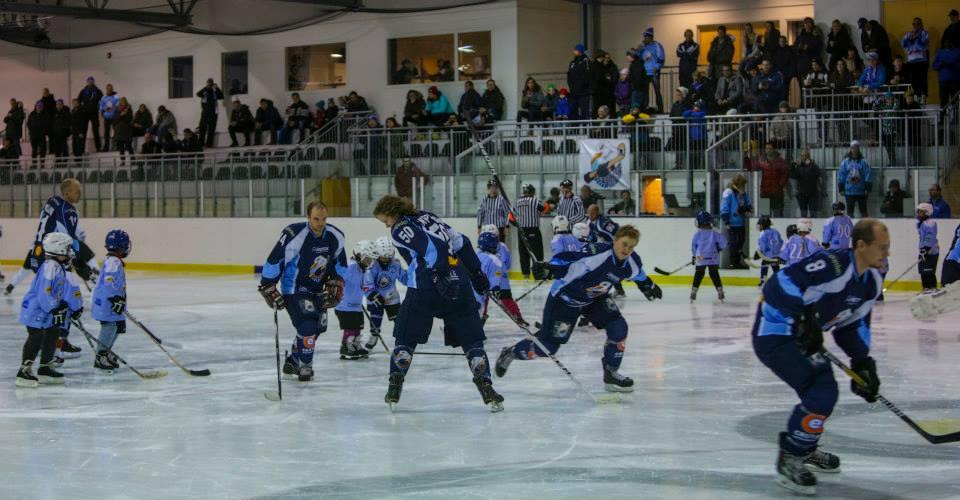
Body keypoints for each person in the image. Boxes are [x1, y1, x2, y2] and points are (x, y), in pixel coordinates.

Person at [754, 218, 888, 495]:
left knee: (822, 390)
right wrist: (804, 318)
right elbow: (779, 283)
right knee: (822, 388)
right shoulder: (835, 264)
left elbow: (852, 326)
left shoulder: (871, 282)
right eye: (882, 247)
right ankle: (792, 455)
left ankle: (805, 445)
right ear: (861, 245)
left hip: (804, 337)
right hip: (776, 332)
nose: (887, 253)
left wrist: (862, 362)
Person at [372, 195, 504, 412]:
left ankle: (395, 384)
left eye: (385, 220)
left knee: (406, 337)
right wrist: (475, 272)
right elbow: (461, 241)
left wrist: (439, 275)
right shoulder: (427, 216)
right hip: (459, 284)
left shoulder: (399, 228)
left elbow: (433, 249)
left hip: (424, 287)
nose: (386, 225)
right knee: (471, 339)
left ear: (392, 214)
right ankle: (486, 386)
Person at [495, 225, 663, 392]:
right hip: (565, 300)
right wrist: (549, 267)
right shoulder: (596, 253)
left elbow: (639, 274)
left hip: (594, 300)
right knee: (548, 346)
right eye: (624, 244)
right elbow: (567, 258)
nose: (627, 250)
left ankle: (611, 372)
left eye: (631, 246)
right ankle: (510, 353)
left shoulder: (631, 263)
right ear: (615, 240)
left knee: (618, 327)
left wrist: (648, 286)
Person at [258, 201, 347, 383]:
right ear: (308, 217)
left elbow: (339, 263)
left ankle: (293, 360)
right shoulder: (295, 234)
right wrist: (268, 283)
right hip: (295, 289)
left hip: (318, 289)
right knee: (307, 325)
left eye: (323, 219)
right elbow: (276, 258)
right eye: (316, 219)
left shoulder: (335, 236)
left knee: (318, 328)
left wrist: (337, 280)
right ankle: (305, 365)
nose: (320, 223)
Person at [15, 233, 84, 387]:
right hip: (35, 310)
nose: (70, 251)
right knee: (36, 337)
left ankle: (45, 368)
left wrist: (69, 306)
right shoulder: (49, 267)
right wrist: (55, 308)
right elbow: (43, 293)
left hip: (46, 310)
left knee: (53, 332)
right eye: (67, 248)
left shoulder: (58, 267)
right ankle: (24, 370)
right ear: (58, 249)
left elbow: (60, 291)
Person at [90, 230, 131, 373]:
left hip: (111, 302)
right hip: (108, 303)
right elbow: (109, 282)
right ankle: (100, 355)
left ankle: (106, 352)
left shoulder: (113, 260)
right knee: (110, 326)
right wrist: (116, 299)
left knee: (118, 326)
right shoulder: (113, 262)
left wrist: (118, 299)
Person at [362, 237, 407, 350]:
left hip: (392, 297)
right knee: (376, 318)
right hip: (375, 297)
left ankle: (401, 338)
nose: (386, 259)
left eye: (388, 257)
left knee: (399, 319)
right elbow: (367, 284)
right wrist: (372, 295)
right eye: (383, 257)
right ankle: (374, 336)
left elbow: (404, 278)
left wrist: (413, 277)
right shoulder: (372, 265)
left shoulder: (395, 264)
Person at [334, 240, 375, 361]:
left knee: (357, 327)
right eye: (367, 259)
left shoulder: (361, 268)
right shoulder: (350, 267)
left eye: (371, 260)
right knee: (350, 327)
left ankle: (355, 345)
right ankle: (347, 347)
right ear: (358, 254)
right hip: (344, 306)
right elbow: (338, 278)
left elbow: (362, 285)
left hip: (356, 306)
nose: (369, 262)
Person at [480, 224, 525, 324]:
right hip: (497, 279)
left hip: (495, 279)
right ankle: (518, 317)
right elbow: (508, 264)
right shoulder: (501, 247)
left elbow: (506, 264)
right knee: (505, 299)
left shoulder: (487, 249)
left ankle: (517, 316)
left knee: (487, 300)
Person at [689, 211, 727, 302]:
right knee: (714, 274)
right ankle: (720, 290)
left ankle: (694, 291)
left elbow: (694, 246)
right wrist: (719, 248)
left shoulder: (698, 234)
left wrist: (695, 256)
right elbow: (724, 243)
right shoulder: (714, 233)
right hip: (713, 258)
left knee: (699, 274)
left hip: (701, 258)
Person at [720, 174, 752, 269]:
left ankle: (737, 262)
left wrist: (746, 209)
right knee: (734, 243)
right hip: (732, 223)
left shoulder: (743, 194)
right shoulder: (728, 192)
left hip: (741, 222)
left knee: (741, 241)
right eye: (742, 185)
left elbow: (749, 204)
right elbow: (724, 208)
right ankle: (733, 262)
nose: (743, 188)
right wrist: (726, 221)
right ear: (737, 184)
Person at [514, 184, 546, 279]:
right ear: (531, 192)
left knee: (523, 253)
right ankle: (538, 274)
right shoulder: (534, 200)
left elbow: (513, 215)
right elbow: (544, 209)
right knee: (537, 252)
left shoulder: (517, 202)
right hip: (533, 229)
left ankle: (526, 275)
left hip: (521, 230)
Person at [751, 141, 789, 217]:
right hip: (764, 192)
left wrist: (779, 186)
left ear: (774, 149)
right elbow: (754, 167)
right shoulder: (761, 160)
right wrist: (754, 158)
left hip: (777, 193)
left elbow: (785, 175)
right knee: (764, 215)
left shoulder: (781, 161)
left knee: (778, 215)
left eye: (770, 148)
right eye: (766, 148)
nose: (767, 150)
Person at [838, 140, 873, 217]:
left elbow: (868, 174)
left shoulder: (864, 162)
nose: (854, 149)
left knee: (864, 212)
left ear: (858, 149)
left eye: (856, 148)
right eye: (852, 148)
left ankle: (865, 227)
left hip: (861, 191)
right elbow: (841, 175)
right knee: (850, 213)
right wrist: (841, 188)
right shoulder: (845, 162)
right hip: (849, 191)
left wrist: (868, 188)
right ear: (850, 149)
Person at [901, 17, 930, 101]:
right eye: (914, 24)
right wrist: (909, 40)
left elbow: (923, 46)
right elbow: (903, 44)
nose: (915, 26)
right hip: (911, 61)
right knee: (913, 79)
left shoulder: (924, 33)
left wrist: (915, 40)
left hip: (922, 61)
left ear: (921, 24)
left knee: (922, 79)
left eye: (917, 24)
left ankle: (924, 94)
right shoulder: (909, 34)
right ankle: (917, 95)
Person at [639, 28, 665, 113]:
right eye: (644, 37)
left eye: (646, 37)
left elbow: (661, 57)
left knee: (657, 91)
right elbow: (639, 58)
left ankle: (660, 109)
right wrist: (639, 49)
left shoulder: (657, 45)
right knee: (645, 92)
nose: (644, 38)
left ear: (651, 37)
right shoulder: (644, 47)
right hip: (645, 73)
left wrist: (657, 67)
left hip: (654, 72)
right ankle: (645, 109)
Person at [916, 202, 940, 290]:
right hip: (923, 251)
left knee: (928, 271)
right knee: (922, 272)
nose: (918, 214)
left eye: (921, 212)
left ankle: (932, 288)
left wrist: (926, 249)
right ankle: (926, 289)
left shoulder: (930, 223)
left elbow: (929, 237)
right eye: (918, 211)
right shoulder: (921, 223)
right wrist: (922, 250)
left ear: (927, 212)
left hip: (931, 252)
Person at [791, 148, 822, 217]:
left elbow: (818, 174)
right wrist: (793, 166)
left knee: (813, 213)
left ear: (808, 157)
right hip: (802, 194)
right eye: (802, 156)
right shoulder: (799, 167)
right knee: (803, 213)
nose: (803, 157)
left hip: (813, 193)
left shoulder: (814, 166)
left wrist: (811, 164)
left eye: (805, 156)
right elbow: (793, 176)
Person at [76, 77, 103, 152]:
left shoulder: (98, 91)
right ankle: (82, 148)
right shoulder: (83, 91)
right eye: (89, 81)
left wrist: (99, 107)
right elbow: (78, 100)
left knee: (96, 131)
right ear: (87, 82)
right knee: (83, 131)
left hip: (94, 113)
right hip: (85, 114)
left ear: (94, 82)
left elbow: (103, 101)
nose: (90, 82)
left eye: (92, 81)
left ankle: (98, 148)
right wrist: (82, 108)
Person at [755, 215, 783, 286]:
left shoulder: (763, 233)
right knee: (776, 268)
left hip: (767, 256)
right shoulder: (776, 231)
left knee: (764, 266)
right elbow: (781, 242)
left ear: (763, 225)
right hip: (776, 255)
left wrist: (760, 253)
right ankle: (780, 282)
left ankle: (763, 281)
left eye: (760, 224)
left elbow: (763, 246)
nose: (759, 226)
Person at [567, 43, 592, 121]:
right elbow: (569, 75)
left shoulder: (586, 61)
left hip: (583, 93)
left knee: (585, 112)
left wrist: (582, 86)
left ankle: (586, 131)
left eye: (575, 49)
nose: (573, 51)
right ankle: (574, 130)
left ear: (580, 51)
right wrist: (571, 86)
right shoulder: (572, 63)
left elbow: (587, 76)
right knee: (572, 111)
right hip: (573, 92)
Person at [196, 78, 224, 147]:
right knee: (202, 128)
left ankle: (209, 143)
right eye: (208, 83)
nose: (210, 85)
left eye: (210, 83)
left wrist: (217, 88)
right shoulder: (205, 91)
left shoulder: (215, 91)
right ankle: (201, 143)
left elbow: (221, 96)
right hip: (205, 112)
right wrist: (205, 88)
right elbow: (198, 94)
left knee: (211, 128)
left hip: (213, 112)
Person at [933, 39, 960, 108]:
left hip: (955, 81)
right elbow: (934, 66)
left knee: (956, 102)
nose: (947, 43)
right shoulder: (940, 52)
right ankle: (942, 118)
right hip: (943, 81)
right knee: (943, 101)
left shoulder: (958, 51)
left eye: (949, 42)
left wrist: (954, 64)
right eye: (946, 42)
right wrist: (940, 65)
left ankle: (955, 118)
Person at [592, 51, 619, 116]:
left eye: (608, 58)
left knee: (610, 110)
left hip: (610, 92)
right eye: (604, 57)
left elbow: (614, 80)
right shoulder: (599, 66)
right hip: (600, 93)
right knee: (598, 109)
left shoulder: (613, 67)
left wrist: (609, 80)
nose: (606, 59)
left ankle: (611, 124)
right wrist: (606, 79)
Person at [112, 98, 134, 164]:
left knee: (129, 146)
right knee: (121, 148)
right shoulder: (117, 110)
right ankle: (123, 161)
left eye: (124, 102)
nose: (122, 103)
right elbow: (115, 120)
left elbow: (129, 119)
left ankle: (133, 160)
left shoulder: (129, 110)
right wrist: (121, 115)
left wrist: (124, 114)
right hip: (119, 131)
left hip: (127, 131)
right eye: (121, 102)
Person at [49, 99, 71, 164]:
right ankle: (58, 162)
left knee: (64, 148)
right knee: (57, 149)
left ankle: (65, 162)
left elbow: (68, 122)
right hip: (55, 134)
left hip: (63, 134)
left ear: (62, 105)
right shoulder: (53, 113)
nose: (58, 105)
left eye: (60, 104)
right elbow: (51, 123)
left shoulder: (66, 112)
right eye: (57, 104)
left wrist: (65, 131)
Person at [98, 84, 119, 152]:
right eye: (108, 89)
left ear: (112, 89)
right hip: (106, 117)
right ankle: (106, 148)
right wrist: (102, 111)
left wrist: (112, 108)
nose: (109, 90)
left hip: (114, 117)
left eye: (110, 89)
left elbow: (118, 105)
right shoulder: (103, 97)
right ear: (106, 89)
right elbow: (101, 106)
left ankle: (116, 147)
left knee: (116, 132)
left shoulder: (116, 96)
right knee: (106, 134)